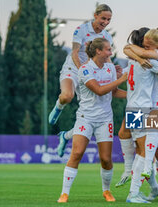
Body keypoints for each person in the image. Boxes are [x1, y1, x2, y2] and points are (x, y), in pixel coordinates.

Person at [57, 38, 127, 203]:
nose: (111, 53)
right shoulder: (85, 69)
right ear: (98, 51)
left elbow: (114, 92)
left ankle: (106, 191)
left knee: (106, 159)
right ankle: (64, 193)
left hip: (105, 119)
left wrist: (134, 96)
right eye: (108, 50)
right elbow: (100, 90)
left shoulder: (110, 68)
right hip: (85, 118)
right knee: (77, 153)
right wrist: (120, 79)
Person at [48, 4, 117, 157]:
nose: (105, 22)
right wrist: (81, 70)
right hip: (74, 69)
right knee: (67, 96)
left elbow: (107, 58)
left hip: (93, 73)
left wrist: (113, 72)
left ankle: (65, 136)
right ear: (95, 15)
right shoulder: (82, 30)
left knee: (92, 114)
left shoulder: (107, 36)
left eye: (109, 19)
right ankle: (58, 107)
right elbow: (75, 52)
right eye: (103, 18)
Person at [123, 27, 158, 201]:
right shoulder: (148, 61)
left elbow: (126, 48)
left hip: (140, 107)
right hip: (143, 107)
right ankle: (136, 192)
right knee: (149, 154)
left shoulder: (134, 59)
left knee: (146, 152)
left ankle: (150, 188)